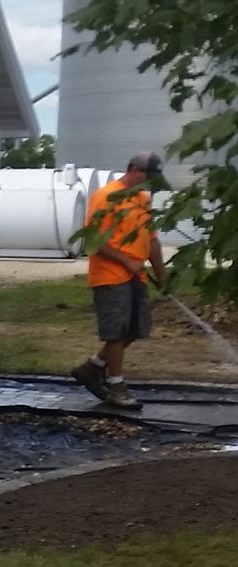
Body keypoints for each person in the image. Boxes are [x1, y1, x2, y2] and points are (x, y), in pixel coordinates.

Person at [71, 151, 166, 410]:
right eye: (148, 175)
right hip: (110, 276)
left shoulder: (143, 199)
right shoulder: (106, 196)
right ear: (133, 169)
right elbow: (94, 240)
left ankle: (93, 367)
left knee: (136, 329)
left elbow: (152, 240)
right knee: (116, 332)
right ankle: (116, 386)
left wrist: (162, 276)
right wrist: (127, 261)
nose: (150, 181)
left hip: (136, 276)